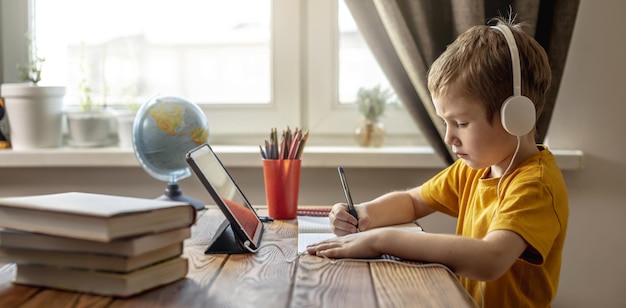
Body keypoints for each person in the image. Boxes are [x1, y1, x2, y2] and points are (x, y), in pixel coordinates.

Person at [306, 18, 568, 307]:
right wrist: (362, 214)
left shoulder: (535, 186)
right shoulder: (475, 170)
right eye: (445, 122)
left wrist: (382, 240)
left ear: (516, 117)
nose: (449, 137)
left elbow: (490, 259)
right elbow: (412, 201)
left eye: (461, 122)